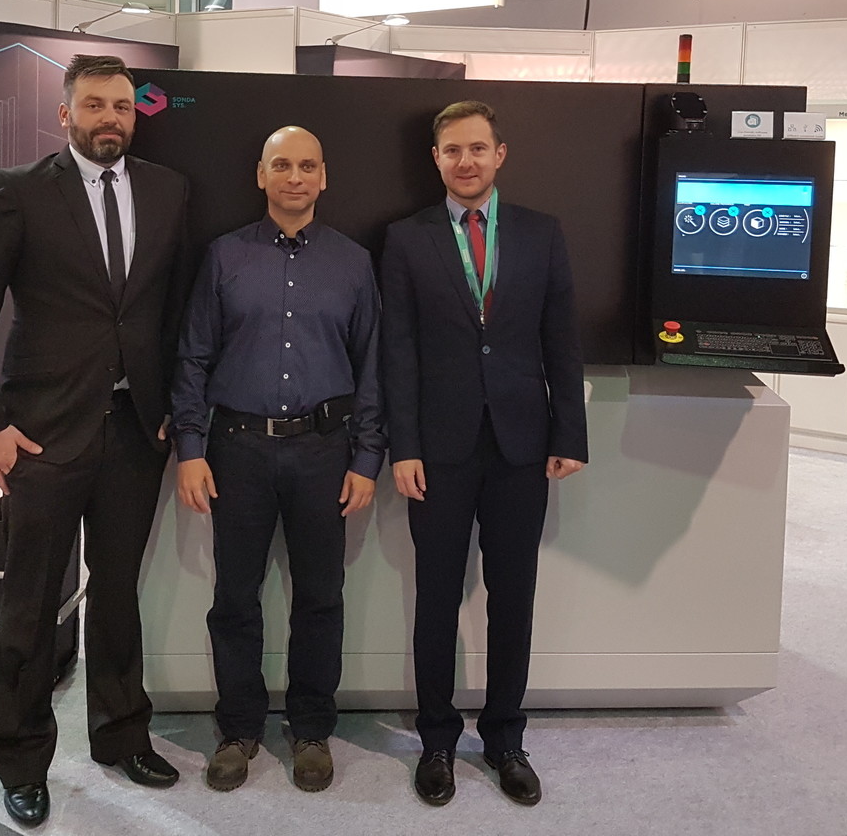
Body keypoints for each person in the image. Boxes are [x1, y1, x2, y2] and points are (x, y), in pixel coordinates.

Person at [0, 54, 191, 829]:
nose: (110, 118)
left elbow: (172, 313)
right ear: (65, 114)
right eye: (94, 105)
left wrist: (171, 408)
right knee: (30, 604)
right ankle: (21, 759)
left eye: (121, 105)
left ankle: (121, 736)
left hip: (135, 432)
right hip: (42, 435)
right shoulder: (18, 191)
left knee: (118, 595)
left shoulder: (167, 190)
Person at [380, 99, 588, 808]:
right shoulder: (405, 239)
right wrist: (403, 445)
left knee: (513, 596)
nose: (464, 161)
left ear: (500, 154)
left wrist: (569, 433)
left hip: (522, 446)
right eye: (452, 151)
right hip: (437, 450)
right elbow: (398, 351)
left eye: (477, 148)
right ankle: (437, 739)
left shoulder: (541, 233)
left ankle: (504, 738)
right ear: (435, 159)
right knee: (436, 597)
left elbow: (562, 339)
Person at [172, 126, 385, 794]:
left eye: (307, 166)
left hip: (325, 452)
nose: (296, 177)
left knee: (320, 596)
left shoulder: (353, 263)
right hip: (236, 451)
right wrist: (189, 449)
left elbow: (372, 367)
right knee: (234, 597)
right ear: (261, 175)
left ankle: (312, 729)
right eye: (282, 165)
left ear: (324, 177)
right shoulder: (224, 256)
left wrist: (367, 457)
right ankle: (238, 729)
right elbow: (193, 357)